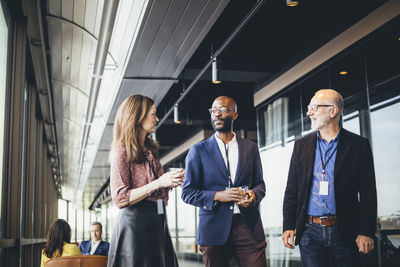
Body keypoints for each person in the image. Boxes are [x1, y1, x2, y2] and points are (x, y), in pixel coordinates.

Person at [282, 89, 377, 267]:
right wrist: (288, 225)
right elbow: (292, 189)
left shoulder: (358, 145)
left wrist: (366, 231)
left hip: (345, 229)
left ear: (333, 111)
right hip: (309, 231)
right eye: (309, 108)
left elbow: (368, 192)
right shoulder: (301, 146)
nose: (309, 112)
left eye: (314, 108)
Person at [182, 96, 267, 267]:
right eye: (213, 111)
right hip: (213, 229)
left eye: (223, 110)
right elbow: (187, 193)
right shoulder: (198, 150)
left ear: (234, 115)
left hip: (248, 226)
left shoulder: (250, 147)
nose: (217, 115)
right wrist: (218, 196)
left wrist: (253, 195)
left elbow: (260, 185)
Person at [107, 94, 184, 267]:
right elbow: (120, 198)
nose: (157, 119)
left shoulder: (150, 151)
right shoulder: (122, 150)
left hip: (156, 223)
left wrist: (173, 180)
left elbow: (160, 191)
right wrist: (159, 183)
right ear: (137, 116)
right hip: (134, 226)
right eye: (153, 114)